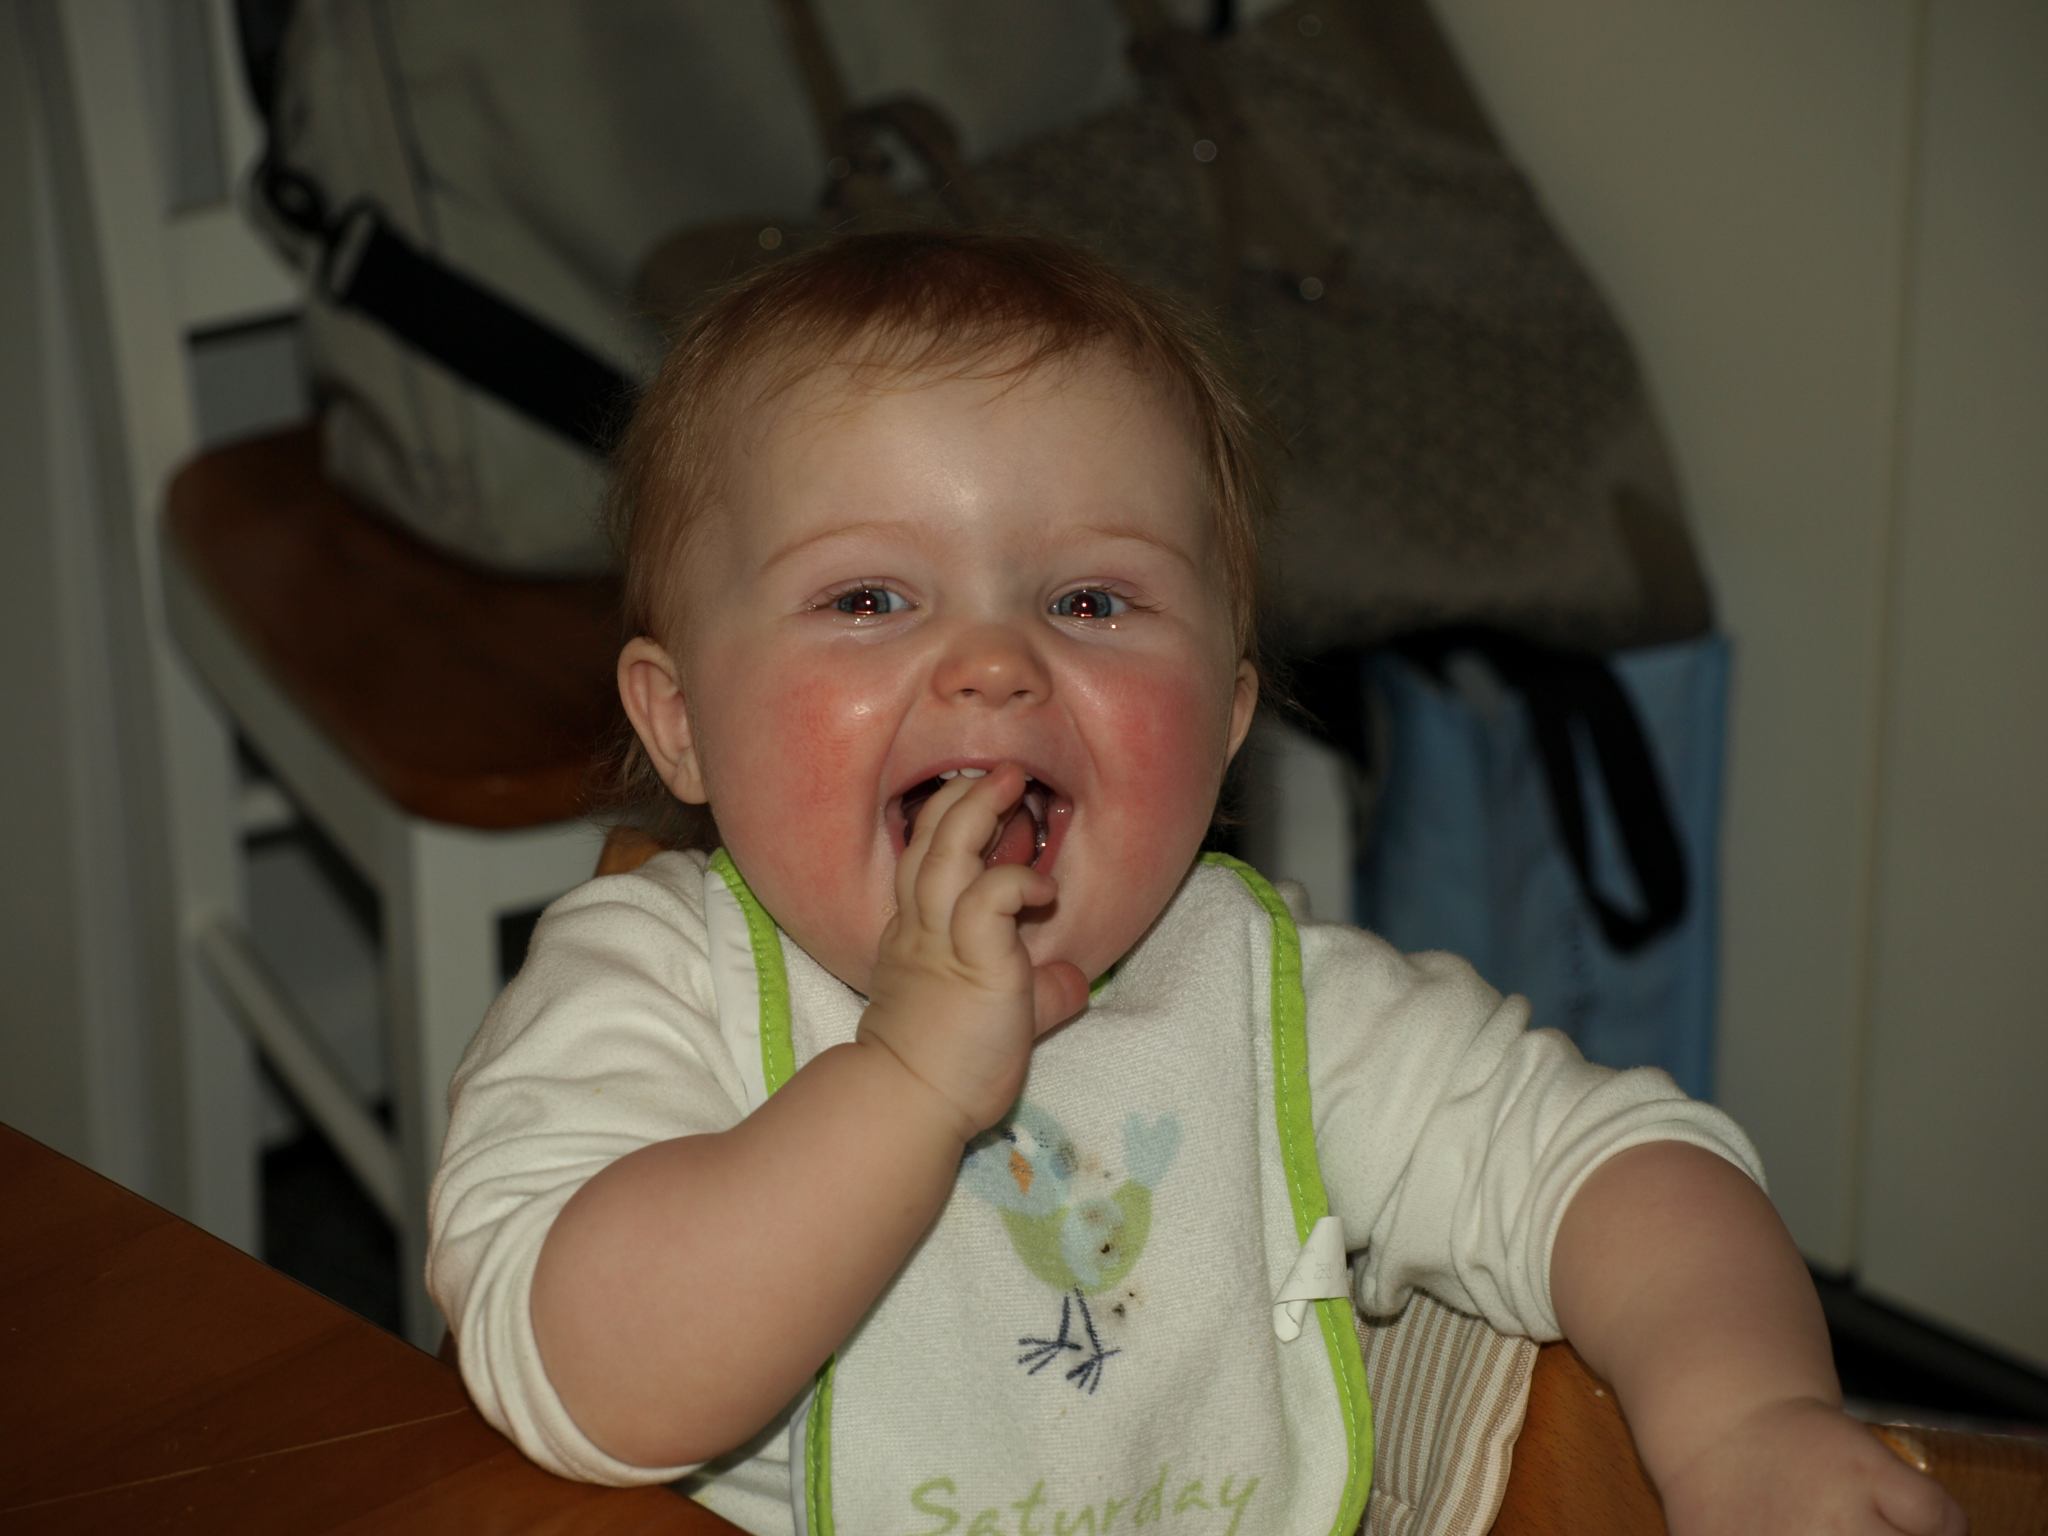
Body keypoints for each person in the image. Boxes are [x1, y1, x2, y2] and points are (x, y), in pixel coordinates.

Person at [427, 230, 1961, 1536]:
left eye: (1092, 600)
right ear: (681, 722)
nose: (992, 662)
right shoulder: (655, 990)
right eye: (871, 596)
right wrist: (907, 1080)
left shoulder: (1277, 1005)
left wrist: (1744, 1418)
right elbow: (582, 1382)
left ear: (1227, 725)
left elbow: (1618, 1169)